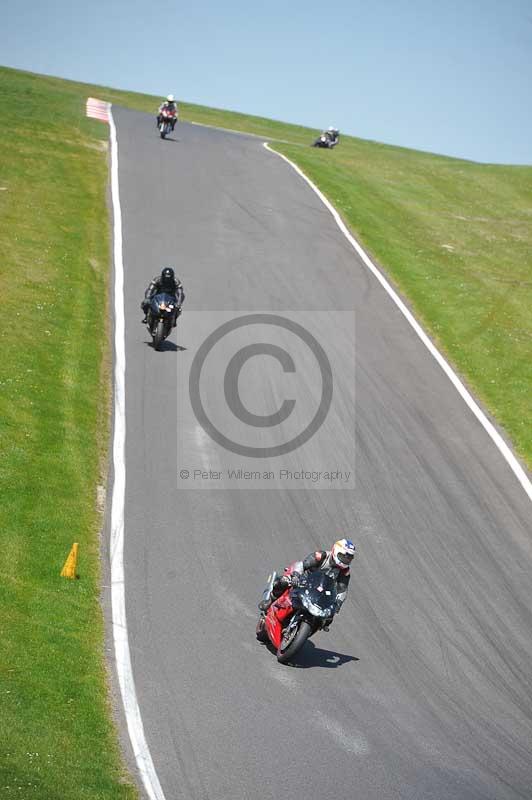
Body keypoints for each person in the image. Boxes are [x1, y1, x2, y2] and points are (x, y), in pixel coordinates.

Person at [258, 538, 356, 621]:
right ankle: (270, 602)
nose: (345, 560)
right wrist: (296, 576)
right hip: (303, 580)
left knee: (329, 617)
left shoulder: (345, 571)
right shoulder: (321, 556)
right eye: (343, 557)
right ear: (336, 551)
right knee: (283, 582)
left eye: (348, 559)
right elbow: (302, 564)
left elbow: (343, 589)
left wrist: (338, 604)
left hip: (320, 591)